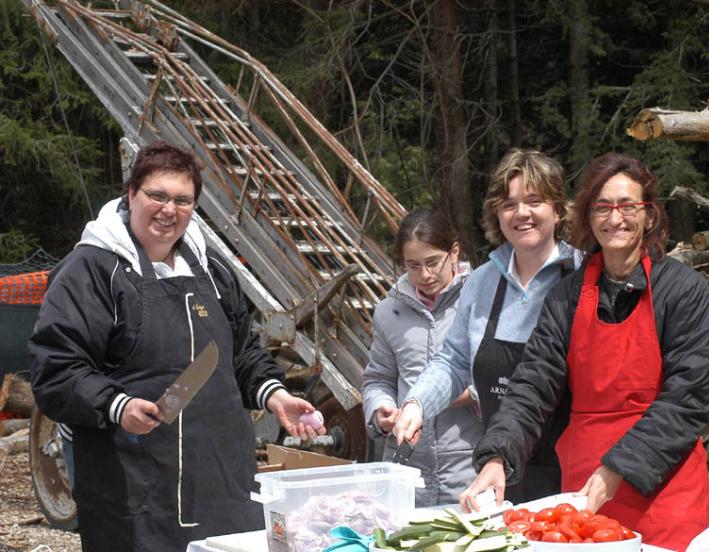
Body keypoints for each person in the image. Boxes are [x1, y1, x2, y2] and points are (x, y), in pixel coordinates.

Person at [28, 141, 325, 552]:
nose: (169, 210)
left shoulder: (212, 270)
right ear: (131, 193)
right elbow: (57, 369)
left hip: (219, 482)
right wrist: (118, 405)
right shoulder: (91, 271)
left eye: (183, 201)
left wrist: (275, 396)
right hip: (132, 487)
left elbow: (242, 352)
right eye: (158, 195)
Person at [463, 153, 709, 550]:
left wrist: (618, 468)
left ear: (649, 215)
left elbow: (689, 397)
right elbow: (532, 384)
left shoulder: (683, 290)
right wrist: (497, 456)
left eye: (627, 206)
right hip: (584, 497)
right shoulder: (566, 296)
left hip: (665, 490)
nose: (615, 218)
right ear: (588, 217)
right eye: (602, 207)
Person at [392, 149, 582, 504]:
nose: (521, 213)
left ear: (558, 210)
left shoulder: (584, 279)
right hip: (500, 470)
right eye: (509, 204)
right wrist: (417, 404)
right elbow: (454, 361)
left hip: (574, 475)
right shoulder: (482, 282)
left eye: (535, 201)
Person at [361, 209, 481, 506]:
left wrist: (448, 396)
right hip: (406, 470)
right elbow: (378, 379)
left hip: (469, 467)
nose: (425, 275)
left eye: (433, 262)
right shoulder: (389, 312)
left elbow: (500, 379)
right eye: (413, 266)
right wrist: (381, 411)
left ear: (454, 252)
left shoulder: (481, 301)